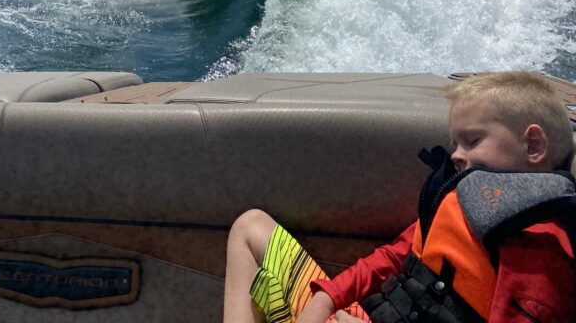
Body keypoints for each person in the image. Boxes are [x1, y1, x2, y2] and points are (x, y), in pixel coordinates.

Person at [223, 70, 576, 323]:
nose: (455, 155)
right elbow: (395, 255)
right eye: (455, 143)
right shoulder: (456, 201)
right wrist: (326, 299)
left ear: (533, 145)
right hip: (364, 313)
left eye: (472, 140)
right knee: (250, 226)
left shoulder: (541, 249)